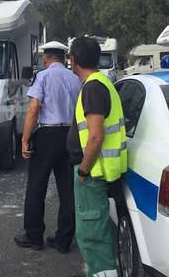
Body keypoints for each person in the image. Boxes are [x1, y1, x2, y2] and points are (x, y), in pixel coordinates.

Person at [67, 36, 127, 277]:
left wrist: (83, 169)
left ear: (73, 60)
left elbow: (95, 137)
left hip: (93, 172)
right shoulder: (102, 82)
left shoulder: (92, 87)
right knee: (96, 231)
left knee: (92, 233)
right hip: (99, 170)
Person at [14, 41, 82, 253]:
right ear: (64, 58)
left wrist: (25, 139)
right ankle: (63, 239)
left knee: (37, 186)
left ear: (46, 58)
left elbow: (34, 109)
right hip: (70, 135)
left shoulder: (42, 76)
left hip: (47, 135)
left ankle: (34, 236)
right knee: (67, 190)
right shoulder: (76, 78)